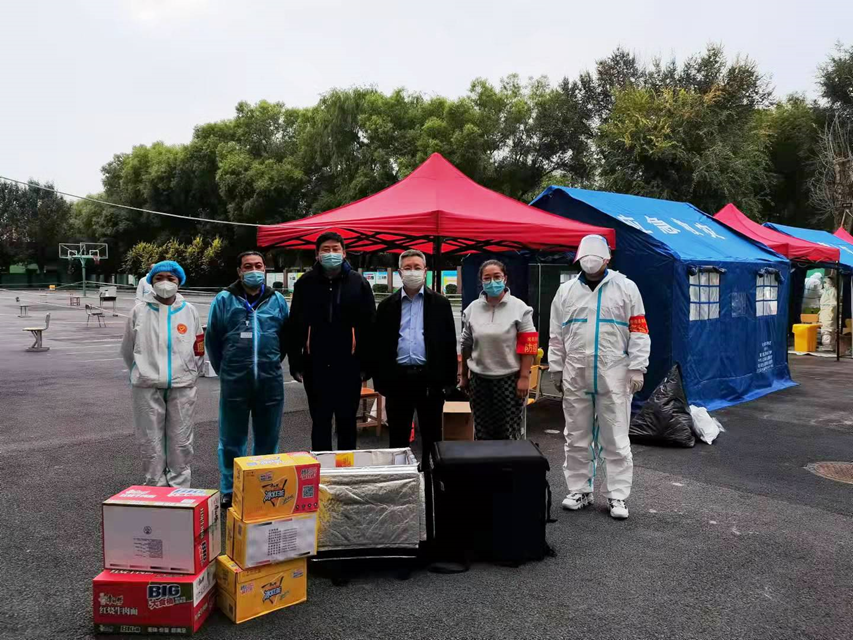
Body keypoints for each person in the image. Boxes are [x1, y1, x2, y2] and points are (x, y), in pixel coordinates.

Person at [548, 235, 650, 520]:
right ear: (578, 260)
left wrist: (637, 367)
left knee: (615, 437)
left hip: (614, 373)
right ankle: (580, 490)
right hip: (576, 374)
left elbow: (639, 330)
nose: (591, 263)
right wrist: (556, 367)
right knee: (576, 436)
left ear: (608, 259)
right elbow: (556, 335)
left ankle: (618, 495)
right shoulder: (566, 291)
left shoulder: (626, 288)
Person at [206, 251, 289, 507]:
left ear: (265, 269)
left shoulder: (277, 300)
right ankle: (230, 488)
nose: (254, 270)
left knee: (268, 438)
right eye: (248, 266)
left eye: (258, 265)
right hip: (235, 380)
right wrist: (226, 370)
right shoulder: (224, 299)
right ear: (239, 271)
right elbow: (213, 339)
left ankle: (263, 486)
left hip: (269, 380)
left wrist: (271, 361)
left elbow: (285, 338)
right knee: (232, 439)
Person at [288, 232, 376, 451]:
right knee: (320, 422)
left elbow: (369, 325)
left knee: (347, 423)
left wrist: (367, 364)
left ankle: (347, 468)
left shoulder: (358, 282)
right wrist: (295, 362)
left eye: (335, 249)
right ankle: (322, 468)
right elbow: (295, 324)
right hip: (315, 365)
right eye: (325, 249)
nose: (331, 253)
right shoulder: (305, 283)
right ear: (317, 255)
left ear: (344, 253)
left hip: (349, 365)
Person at [121, 260, 204, 488]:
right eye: (159, 278)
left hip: (183, 384)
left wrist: (190, 372)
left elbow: (198, 346)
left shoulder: (189, 311)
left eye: (171, 278)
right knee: (150, 440)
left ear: (179, 282)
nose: (165, 283)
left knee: (181, 440)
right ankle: (155, 486)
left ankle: (180, 486)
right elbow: (128, 348)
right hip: (147, 386)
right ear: (151, 281)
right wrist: (141, 371)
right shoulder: (139, 311)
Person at [374, 249, 458, 452]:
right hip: (397, 380)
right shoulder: (386, 306)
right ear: (400, 272)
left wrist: (448, 383)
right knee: (397, 439)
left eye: (417, 267)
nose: (412, 272)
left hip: (430, 381)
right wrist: (381, 382)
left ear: (425, 271)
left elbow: (449, 343)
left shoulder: (440, 304)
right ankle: (400, 472)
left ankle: (431, 473)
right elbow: (379, 346)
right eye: (408, 268)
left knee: (432, 437)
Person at [460, 259, 538, 440]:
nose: (492, 282)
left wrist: (524, 377)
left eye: (497, 277)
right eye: (487, 278)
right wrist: (463, 375)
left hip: (509, 381)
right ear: (481, 281)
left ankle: (508, 460)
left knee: (508, 433)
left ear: (505, 279)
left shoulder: (520, 308)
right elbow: (466, 344)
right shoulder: (472, 309)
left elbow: (529, 345)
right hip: (479, 381)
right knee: (482, 432)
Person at [819, 271, 837, 350]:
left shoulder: (832, 290)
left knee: (827, 329)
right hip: (824, 311)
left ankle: (828, 345)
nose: (824, 284)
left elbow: (834, 303)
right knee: (825, 327)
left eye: (825, 282)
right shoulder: (826, 291)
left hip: (828, 311)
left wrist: (830, 311)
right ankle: (829, 345)